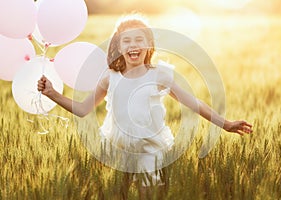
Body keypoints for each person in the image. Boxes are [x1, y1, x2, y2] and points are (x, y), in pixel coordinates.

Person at [37, 14, 253, 200]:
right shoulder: (109, 78)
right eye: (127, 41)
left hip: (150, 148)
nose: (133, 45)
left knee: (147, 194)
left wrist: (226, 124)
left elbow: (194, 103)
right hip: (116, 148)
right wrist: (52, 93)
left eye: (139, 39)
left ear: (149, 44)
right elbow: (83, 109)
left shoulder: (159, 75)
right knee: (116, 193)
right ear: (118, 47)